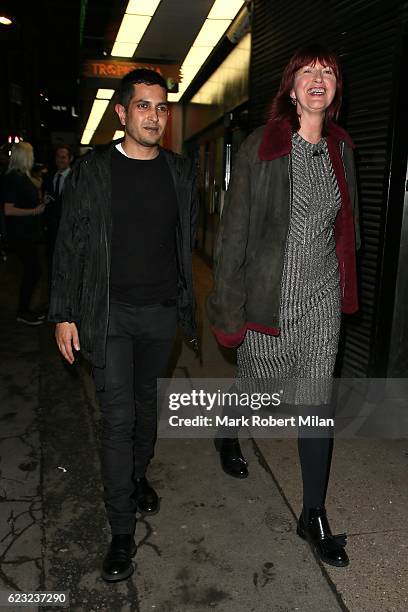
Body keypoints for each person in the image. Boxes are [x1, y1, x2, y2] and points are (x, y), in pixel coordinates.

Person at [207, 44, 360, 568]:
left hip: (321, 299)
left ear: (335, 90)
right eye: (308, 73)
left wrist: (342, 286)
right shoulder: (261, 147)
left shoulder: (342, 150)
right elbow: (233, 237)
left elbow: (346, 230)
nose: (318, 79)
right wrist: (228, 310)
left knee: (316, 404)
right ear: (291, 90)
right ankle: (227, 431)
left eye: (328, 73)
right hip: (269, 298)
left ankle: (312, 514)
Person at [48, 69, 198, 582]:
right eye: (143, 107)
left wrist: (188, 305)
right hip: (106, 315)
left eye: (161, 108)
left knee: (145, 409)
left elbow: (185, 243)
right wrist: (64, 312)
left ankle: (135, 479)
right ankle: (119, 531)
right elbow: (70, 243)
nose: (154, 116)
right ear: (122, 112)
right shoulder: (92, 172)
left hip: (160, 315)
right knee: (116, 420)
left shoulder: (180, 173)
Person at [1, 142, 45, 324]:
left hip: (26, 233)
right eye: (31, 153)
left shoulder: (21, 176)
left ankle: (24, 309)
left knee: (32, 271)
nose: (33, 156)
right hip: (19, 234)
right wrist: (34, 211)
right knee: (33, 270)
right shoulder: (13, 178)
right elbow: (8, 209)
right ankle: (23, 311)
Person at [44, 146, 73, 275]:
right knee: (52, 266)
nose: (60, 160)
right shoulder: (49, 177)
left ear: (70, 159)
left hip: (69, 232)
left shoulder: (76, 179)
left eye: (63, 157)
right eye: (58, 157)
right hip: (52, 232)